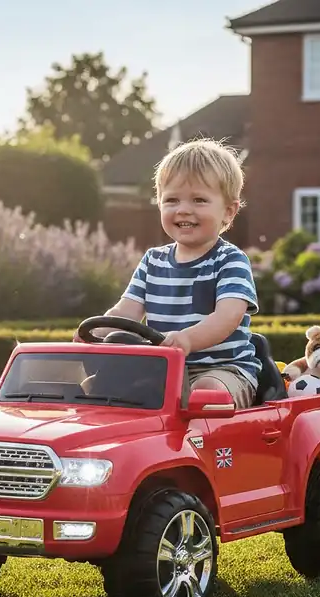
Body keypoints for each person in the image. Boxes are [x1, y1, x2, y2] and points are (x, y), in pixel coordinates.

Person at [79, 137, 260, 408]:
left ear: (228, 212)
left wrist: (187, 339)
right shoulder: (153, 261)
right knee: (92, 387)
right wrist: (94, 329)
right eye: (172, 199)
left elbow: (228, 316)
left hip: (223, 370)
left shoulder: (229, 260)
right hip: (162, 370)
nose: (183, 209)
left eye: (199, 200)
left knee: (204, 394)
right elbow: (126, 311)